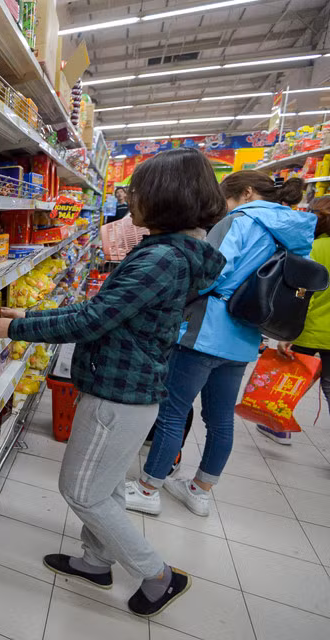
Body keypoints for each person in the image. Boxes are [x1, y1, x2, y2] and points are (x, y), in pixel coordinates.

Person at [0, 148, 226, 617]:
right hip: (127, 384)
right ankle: (95, 562)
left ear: (166, 198)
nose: (129, 195)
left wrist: (16, 329)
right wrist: (31, 312)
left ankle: (158, 574)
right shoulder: (167, 252)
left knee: (82, 490)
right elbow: (108, 313)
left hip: (119, 393)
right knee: (106, 486)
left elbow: (94, 320)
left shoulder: (161, 260)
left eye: (138, 188)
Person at [126, 171, 313, 517]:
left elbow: (212, 271)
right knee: (221, 419)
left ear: (245, 193)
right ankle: (200, 491)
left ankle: (147, 488)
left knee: (172, 411)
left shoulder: (240, 220)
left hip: (206, 330)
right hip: (246, 335)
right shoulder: (296, 231)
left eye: (224, 200)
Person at [259, 195, 330, 443]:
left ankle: (278, 426)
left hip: (307, 328)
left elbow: (300, 295)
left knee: (291, 380)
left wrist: (287, 333)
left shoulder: (312, 250)